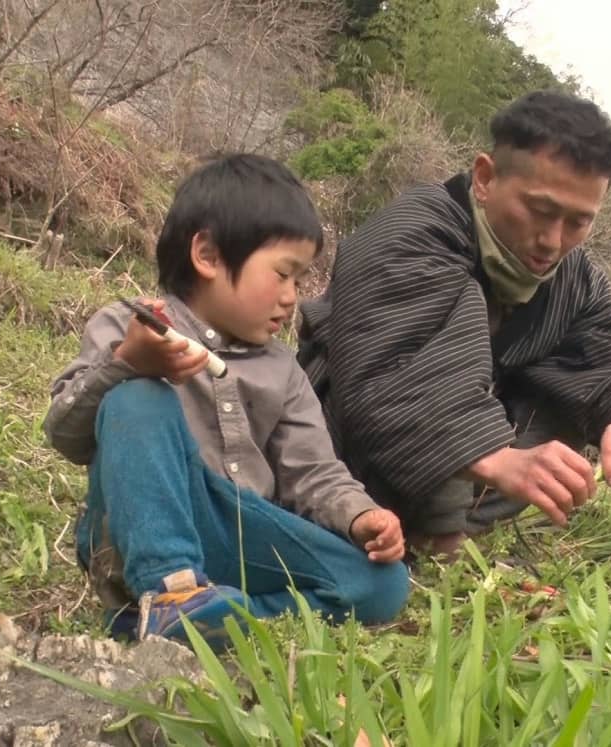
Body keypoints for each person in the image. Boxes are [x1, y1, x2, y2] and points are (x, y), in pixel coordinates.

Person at [44, 154, 410, 647]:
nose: (292, 298)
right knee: (136, 397)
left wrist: (360, 515)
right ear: (209, 256)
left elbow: (313, 472)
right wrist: (128, 363)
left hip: (244, 534)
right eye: (283, 274)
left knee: (385, 584)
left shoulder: (283, 369)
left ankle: (221, 617)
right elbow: (64, 432)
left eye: (300, 282)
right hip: (144, 527)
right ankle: (170, 591)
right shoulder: (131, 328)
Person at [298, 90, 611, 555]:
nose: (552, 241)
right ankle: (434, 538)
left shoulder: (574, 279)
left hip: (462, 478)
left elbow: (607, 352)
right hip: (346, 454)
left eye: (579, 222)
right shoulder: (410, 234)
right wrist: (496, 457)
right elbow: (392, 375)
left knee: (572, 387)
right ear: (485, 178)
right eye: (540, 211)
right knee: (462, 319)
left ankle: (454, 528)